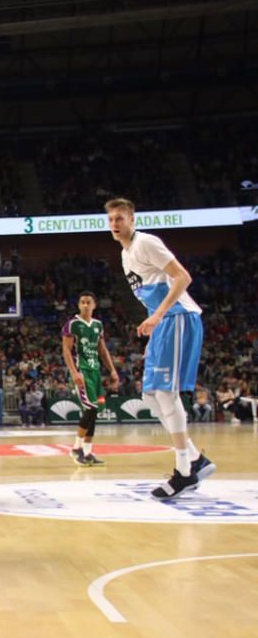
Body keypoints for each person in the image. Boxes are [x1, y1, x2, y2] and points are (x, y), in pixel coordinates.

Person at [106, 198, 215, 498]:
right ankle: (194, 457)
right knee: (150, 396)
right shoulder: (125, 253)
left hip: (178, 318)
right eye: (111, 219)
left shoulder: (146, 243)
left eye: (120, 218)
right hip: (164, 322)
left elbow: (183, 277)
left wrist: (157, 315)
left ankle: (184, 472)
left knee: (166, 393)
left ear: (132, 219)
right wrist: (154, 318)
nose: (115, 224)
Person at [61, 291, 120, 466]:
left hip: (95, 371)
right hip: (82, 371)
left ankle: (87, 452)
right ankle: (75, 448)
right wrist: (74, 372)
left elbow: (103, 351)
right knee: (90, 410)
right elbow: (66, 350)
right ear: (79, 305)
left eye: (88, 302)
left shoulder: (98, 325)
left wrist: (112, 370)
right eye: (82, 302)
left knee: (94, 413)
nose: (85, 305)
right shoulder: (72, 324)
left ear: (94, 305)